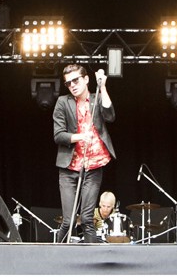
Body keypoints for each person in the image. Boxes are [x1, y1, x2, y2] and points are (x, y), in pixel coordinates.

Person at [53, 64, 116, 243]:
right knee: (69, 220)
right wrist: (81, 136)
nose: (72, 85)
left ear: (86, 79)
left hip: (94, 166)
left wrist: (102, 86)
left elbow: (110, 116)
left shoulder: (97, 99)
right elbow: (58, 135)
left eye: (76, 80)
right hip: (69, 168)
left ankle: (92, 266)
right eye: (68, 83)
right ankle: (57, 259)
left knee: (88, 220)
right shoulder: (63, 103)